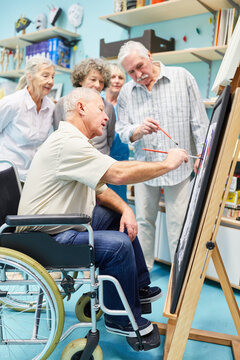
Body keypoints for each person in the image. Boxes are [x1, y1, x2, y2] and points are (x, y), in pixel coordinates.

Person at [17, 87, 188, 348]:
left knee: (112, 215)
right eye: (100, 109)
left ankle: (137, 288)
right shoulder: (68, 143)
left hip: (59, 225)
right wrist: (167, 165)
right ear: (81, 108)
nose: (107, 116)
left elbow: (101, 188)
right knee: (117, 246)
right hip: (44, 237)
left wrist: (126, 209)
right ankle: (121, 320)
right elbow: (117, 173)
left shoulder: (73, 141)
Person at [116, 41, 209, 268]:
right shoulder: (127, 91)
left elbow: (199, 122)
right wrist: (137, 130)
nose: (138, 75)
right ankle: (143, 273)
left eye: (140, 66)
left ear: (149, 55)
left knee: (179, 225)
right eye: (131, 72)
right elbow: (121, 130)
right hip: (144, 168)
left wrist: (204, 158)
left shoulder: (182, 77)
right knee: (143, 223)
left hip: (179, 169)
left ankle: (179, 275)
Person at [0, 55, 55, 183]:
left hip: (32, 175)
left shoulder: (50, 107)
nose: (51, 81)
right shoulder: (12, 103)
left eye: (52, 77)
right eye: (45, 76)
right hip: (7, 173)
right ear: (29, 77)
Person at [53, 58, 115, 155]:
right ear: (81, 80)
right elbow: (58, 133)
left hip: (100, 160)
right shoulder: (62, 103)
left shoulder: (108, 107)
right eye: (93, 79)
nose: (97, 85)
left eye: (102, 81)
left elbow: (110, 138)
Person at [105, 63, 129, 201]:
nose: (116, 80)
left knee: (118, 200)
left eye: (120, 77)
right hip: (100, 155)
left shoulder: (126, 104)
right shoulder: (98, 100)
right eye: (113, 77)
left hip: (120, 157)